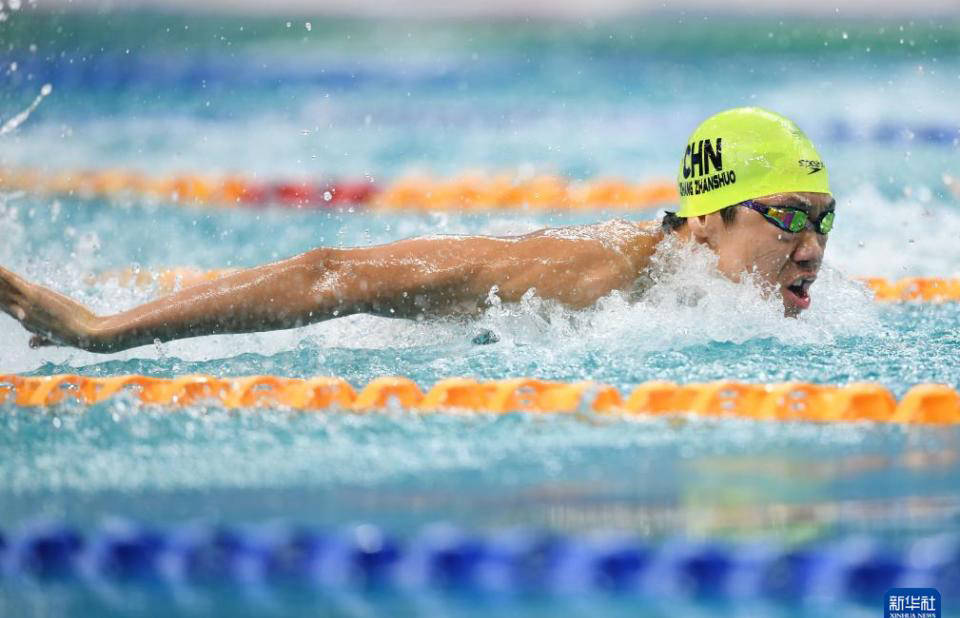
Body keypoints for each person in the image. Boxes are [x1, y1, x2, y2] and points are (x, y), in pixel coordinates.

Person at [0, 107, 835, 353]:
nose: (812, 249)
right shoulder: (585, 274)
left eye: (824, 221)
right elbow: (335, 273)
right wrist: (103, 331)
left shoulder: (719, 295)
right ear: (701, 223)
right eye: (788, 217)